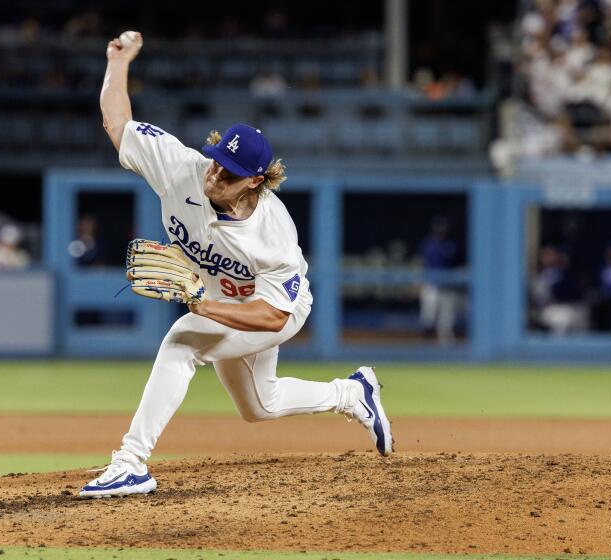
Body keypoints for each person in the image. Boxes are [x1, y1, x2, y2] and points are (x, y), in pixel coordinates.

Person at [79, 32, 394, 499]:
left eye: (228, 173)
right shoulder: (182, 167)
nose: (215, 174)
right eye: (215, 161)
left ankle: (131, 462)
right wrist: (118, 62)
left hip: (272, 309)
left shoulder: (273, 233)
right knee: (259, 406)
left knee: (181, 341)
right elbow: (117, 122)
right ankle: (351, 394)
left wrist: (205, 305)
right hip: (220, 300)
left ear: (256, 181)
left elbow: (274, 316)